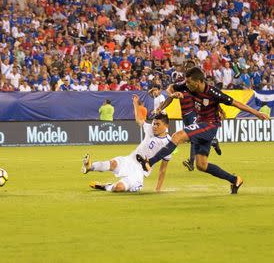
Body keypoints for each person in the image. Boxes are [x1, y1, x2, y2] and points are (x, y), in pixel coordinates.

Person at [137, 67, 268, 194]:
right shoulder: (188, 86)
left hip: (210, 125)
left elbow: (236, 103)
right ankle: (235, 180)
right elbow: (172, 89)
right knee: (201, 165)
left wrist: (256, 113)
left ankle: (149, 162)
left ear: (199, 82)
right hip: (201, 124)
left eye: (189, 82)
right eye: (186, 82)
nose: (186, 85)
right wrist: (164, 103)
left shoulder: (213, 92)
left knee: (177, 136)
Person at [82, 95, 171, 192]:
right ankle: (90, 166)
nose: (154, 126)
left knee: (119, 188)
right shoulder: (150, 128)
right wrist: (135, 103)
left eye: (158, 124)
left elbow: (163, 169)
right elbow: (139, 119)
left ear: (166, 125)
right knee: (113, 163)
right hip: (129, 160)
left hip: (139, 171)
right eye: (154, 123)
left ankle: (106, 186)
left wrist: (158, 189)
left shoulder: (168, 143)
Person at [156, 83, 222, 171]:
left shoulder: (193, 88)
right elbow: (170, 97)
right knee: (192, 139)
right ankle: (213, 142)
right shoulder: (179, 87)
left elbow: (207, 99)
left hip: (193, 114)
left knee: (193, 138)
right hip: (185, 116)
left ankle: (191, 162)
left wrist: (219, 110)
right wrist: (161, 106)